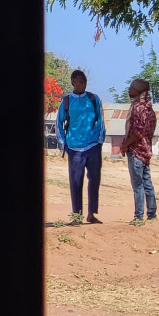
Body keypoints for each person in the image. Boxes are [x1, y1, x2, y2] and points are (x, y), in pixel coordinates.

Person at [55, 70, 105, 225]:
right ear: (73, 83)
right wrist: (64, 144)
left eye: (84, 82)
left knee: (94, 179)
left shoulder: (93, 99)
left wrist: (98, 140)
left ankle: (91, 214)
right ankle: (77, 217)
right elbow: (59, 124)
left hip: (92, 146)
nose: (83, 84)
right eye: (79, 82)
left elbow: (100, 120)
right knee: (76, 182)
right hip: (74, 148)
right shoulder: (67, 102)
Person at [119, 78, 158, 223]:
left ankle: (139, 216)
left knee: (138, 185)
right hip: (146, 151)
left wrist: (125, 145)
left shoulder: (137, 108)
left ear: (138, 90)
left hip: (136, 151)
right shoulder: (150, 109)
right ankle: (152, 215)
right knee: (148, 183)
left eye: (131, 88)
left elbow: (137, 132)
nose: (129, 90)